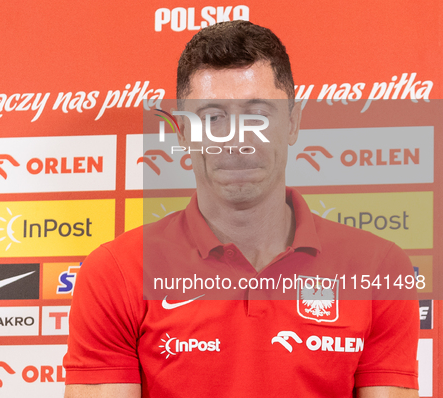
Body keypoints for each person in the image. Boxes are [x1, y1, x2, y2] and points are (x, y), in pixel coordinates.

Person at [64, 21, 419, 397]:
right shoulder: (116, 272)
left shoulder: (378, 268)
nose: (236, 141)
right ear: (183, 133)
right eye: (213, 117)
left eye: (258, 115)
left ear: (293, 123)